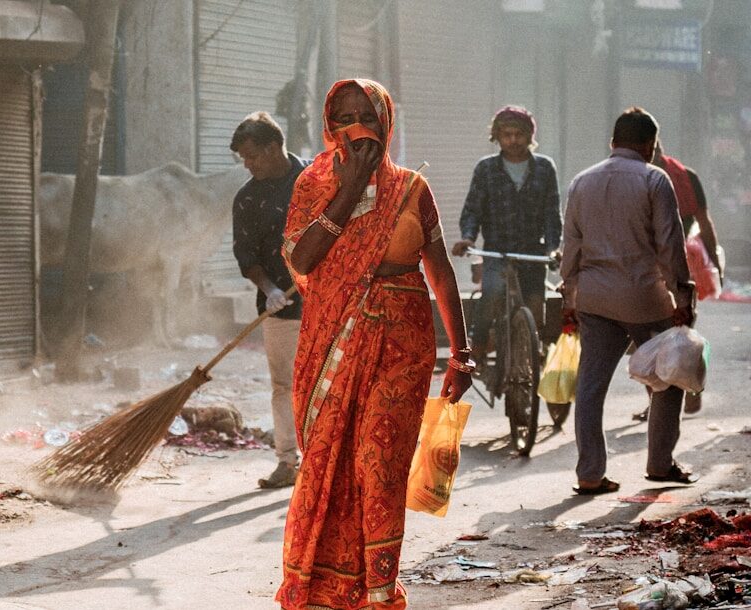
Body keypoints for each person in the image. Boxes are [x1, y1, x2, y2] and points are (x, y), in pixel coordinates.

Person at [276, 79, 472, 609]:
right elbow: (302, 259)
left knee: (380, 465)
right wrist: (348, 190)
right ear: (327, 124)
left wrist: (462, 352)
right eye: (344, 115)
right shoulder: (312, 185)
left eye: (368, 114)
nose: (356, 124)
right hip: (332, 344)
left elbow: (441, 272)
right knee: (329, 462)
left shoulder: (411, 188)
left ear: (387, 121)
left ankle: (380, 589)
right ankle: (321, 583)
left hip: (403, 345)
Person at [561, 107, 698, 495]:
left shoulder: (581, 182)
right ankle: (660, 464)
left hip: (595, 298)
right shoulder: (655, 180)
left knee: (590, 387)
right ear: (650, 146)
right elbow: (671, 244)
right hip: (645, 298)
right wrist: (683, 295)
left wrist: (568, 293)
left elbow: (571, 245)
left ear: (612, 142)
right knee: (669, 379)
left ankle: (589, 472)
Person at [230, 111, 308, 489]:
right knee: (285, 386)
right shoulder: (246, 199)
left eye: (252, 156)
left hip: (331, 302)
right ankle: (287, 462)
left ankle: (325, 462)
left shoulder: (315, 181)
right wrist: (270, 290)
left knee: (330, 383)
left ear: (274, 147)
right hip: (281, 308)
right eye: (243, 159)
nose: (248, 165)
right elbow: (246, 256)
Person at [452, 106, 561, 370]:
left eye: (519, 134)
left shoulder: (544, 168)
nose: (513, 140)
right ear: (497, 137)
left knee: (536, 306)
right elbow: (472, 210)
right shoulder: (486, 169)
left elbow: (551, 213)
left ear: (529, 136)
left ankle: (536, 354)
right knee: (492, 294)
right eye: (507, 134)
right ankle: (476, 348)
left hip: (532, 254)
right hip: (497, 253)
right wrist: (468, 238)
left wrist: (554, 248)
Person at [631, 141, 722, 420]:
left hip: (679, 268)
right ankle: (659, 403)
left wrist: (715, 265)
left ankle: (693, 387)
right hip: (644, 267)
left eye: (653, 151)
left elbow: (704, 222)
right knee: (648, 339)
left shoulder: (685, 177)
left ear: (657, 147)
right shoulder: (631, 177)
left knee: (680, 334)